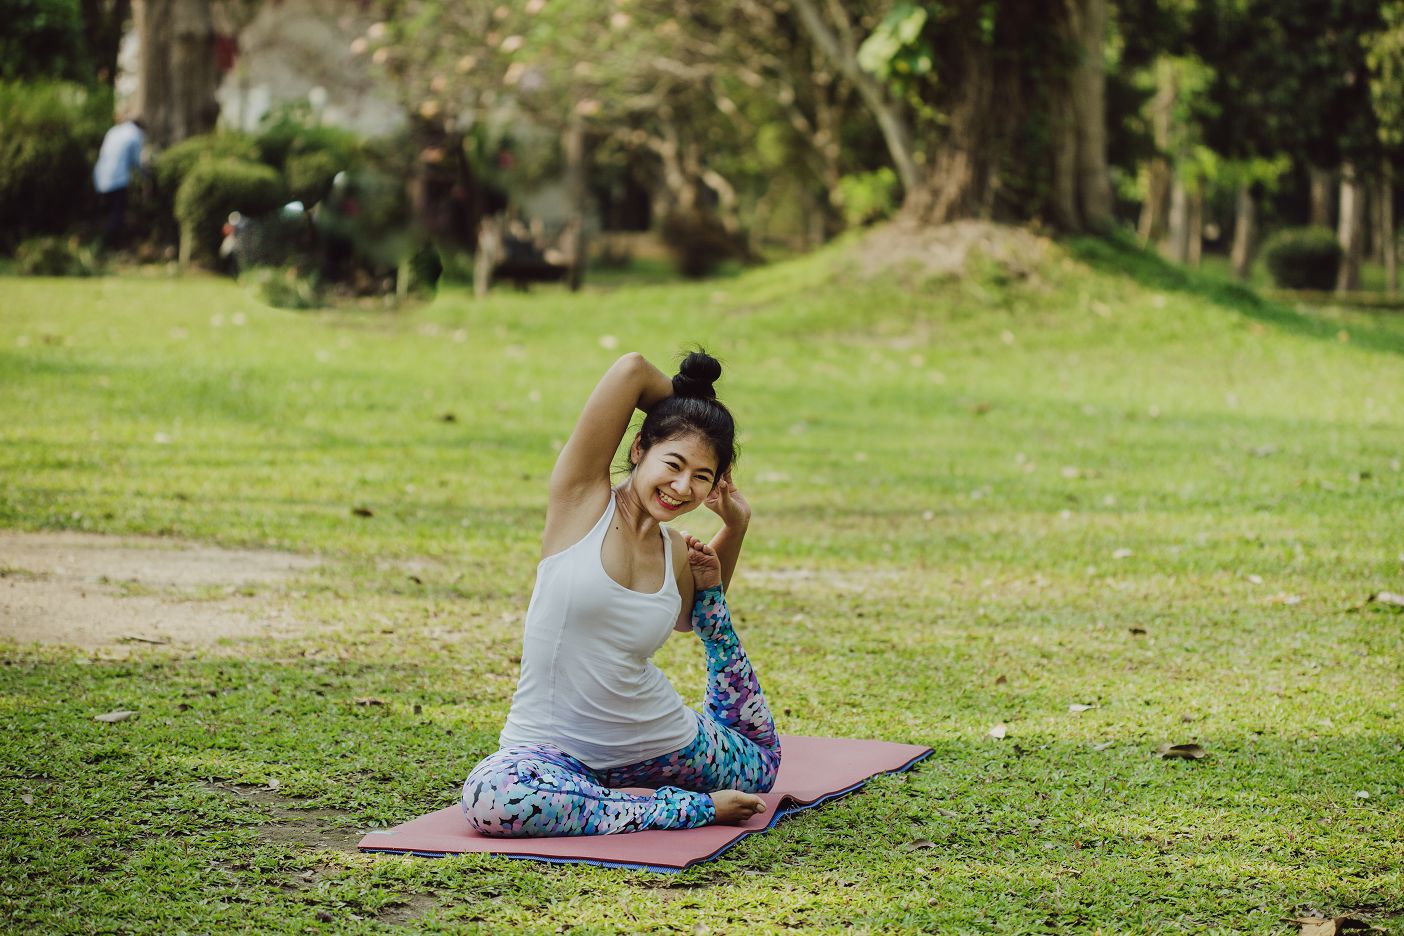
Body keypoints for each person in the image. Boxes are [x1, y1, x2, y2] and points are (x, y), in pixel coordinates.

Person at [462, 350, 780, 836]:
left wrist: (736, 526)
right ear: (638, 449)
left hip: (661, 742)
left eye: (702, 476)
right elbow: (631, 369)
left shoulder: (676, 550)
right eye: (673, 463)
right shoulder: (581, 501)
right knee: (494, 800)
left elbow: (693, 619)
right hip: (552, 750)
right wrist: (690, 409)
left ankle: (599, 802)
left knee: (759, 768)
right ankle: (686, 809)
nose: (681, 486)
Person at [92, 113, 146, 250]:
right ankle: (108, 247)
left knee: (105, 214)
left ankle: (100, 246)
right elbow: (137, 162)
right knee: (116, 215)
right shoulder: (136, 134)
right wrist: (146, 177)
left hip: (100, 177)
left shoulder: (114, 131)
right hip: (117, 179)